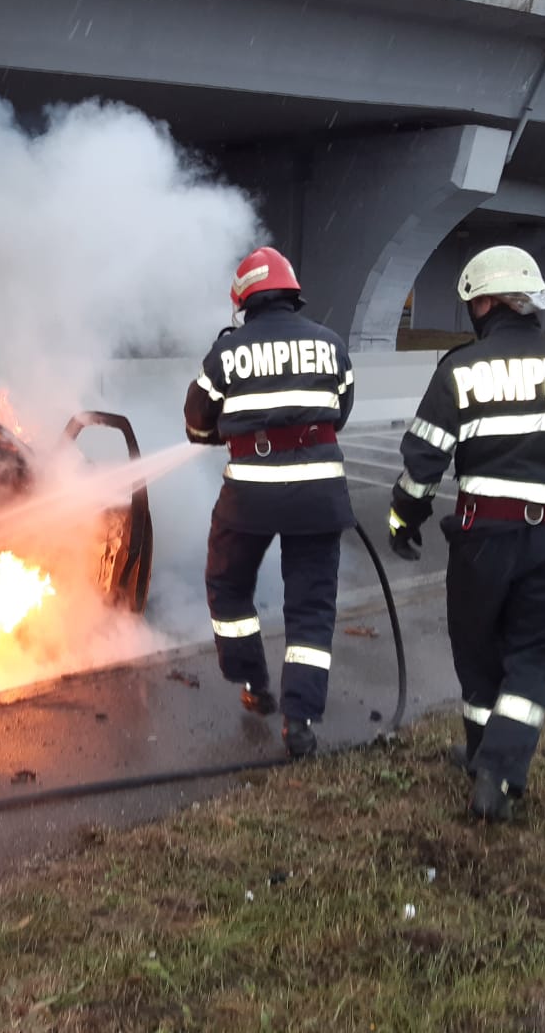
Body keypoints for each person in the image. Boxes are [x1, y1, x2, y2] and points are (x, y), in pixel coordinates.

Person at [387, 245, 545, 822]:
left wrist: (405, 521)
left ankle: (491, 762)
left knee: (479, 652)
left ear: (482, 302)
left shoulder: (460, 369)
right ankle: (493, 766)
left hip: (482, 539)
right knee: (533, 656)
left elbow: (423, 461)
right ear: (531, 302)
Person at [184, 247, 355, 759]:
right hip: (320, 497)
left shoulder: (227, 353)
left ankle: (255, 685)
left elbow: (195, 424)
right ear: (291, 292)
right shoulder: (331, 344)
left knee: (228, 586)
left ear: (243, 300)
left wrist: (233, 432)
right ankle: (299, 721)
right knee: (311, 608)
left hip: (249, 499)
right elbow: (339, 413)